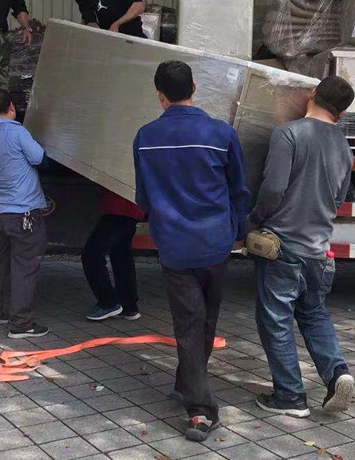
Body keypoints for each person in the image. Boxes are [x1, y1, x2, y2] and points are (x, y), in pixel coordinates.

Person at [133, 61, 251, 443]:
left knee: (189, 323)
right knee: (205, 320)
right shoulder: (221, 133)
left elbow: (143, 198)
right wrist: (240, 231)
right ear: (195, 87)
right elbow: (238, 189)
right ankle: (200, 408)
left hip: (175, 246)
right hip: (216, 243)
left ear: (160, 95)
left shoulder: (145, 137)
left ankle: (189, 389)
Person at [248, 75, 355, 418]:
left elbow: (273, 189)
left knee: (276, 319)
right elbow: (338, 198)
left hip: (283, 245)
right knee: (313, 312)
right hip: (319, 248)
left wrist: (253, 220)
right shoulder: (344, 147)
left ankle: (290, 396)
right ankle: (337, 373)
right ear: (341, 112)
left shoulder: (289, 133)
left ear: (312, 93)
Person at [0, 89, 49, 340]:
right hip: (24, 211)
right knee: (25, 266)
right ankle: (20, 324)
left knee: (1, 262)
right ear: (12, 108)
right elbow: (39, 158)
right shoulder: (17, 132)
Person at [81, 188, 146, 321]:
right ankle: (129, 305)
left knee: (92, 254)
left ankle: (108, 302)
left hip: (118, 208)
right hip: (131, 208)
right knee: (121, 255)